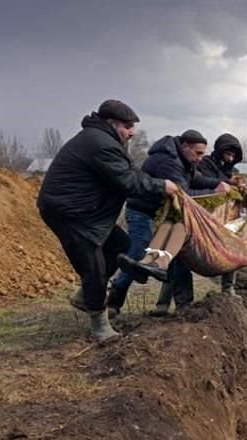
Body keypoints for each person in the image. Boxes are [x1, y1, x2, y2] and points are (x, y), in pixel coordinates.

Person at [36, 99, 179, 344]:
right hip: (71, 212)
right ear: (112, 123)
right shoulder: (101, 144)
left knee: (121, 246)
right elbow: (128, 182)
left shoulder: (106, 141)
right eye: (127, 126)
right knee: (94, 263)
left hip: (87, 211)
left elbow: (130, 174)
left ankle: (85, 296)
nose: (132, 131)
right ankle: (100, 325)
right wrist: (161, 186)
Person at [104, 129, 230, 317]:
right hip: (143, 211)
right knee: (138, 254)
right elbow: (183, 195)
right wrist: (215, 194)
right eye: (198, 153)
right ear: (185, 146)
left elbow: (195, 179)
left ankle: (183, 304)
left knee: (178, 254)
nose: (200, 158)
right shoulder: (168, 162)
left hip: (164, 215)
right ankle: (114, 299)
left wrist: (218, 183)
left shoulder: (184, 161)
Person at [197, 133, 247, 296]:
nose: (230, 158)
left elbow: (235, 189)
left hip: (226, 217)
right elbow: (205, 181)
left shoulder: (233, 171)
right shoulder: (205, 164)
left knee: (233, 246)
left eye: (233, 155)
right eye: (228, 154)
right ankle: (166, 302)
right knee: (184, 256)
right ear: (220, 152)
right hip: (203, 216)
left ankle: (228, 288)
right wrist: (229, 182)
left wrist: (243, 188)